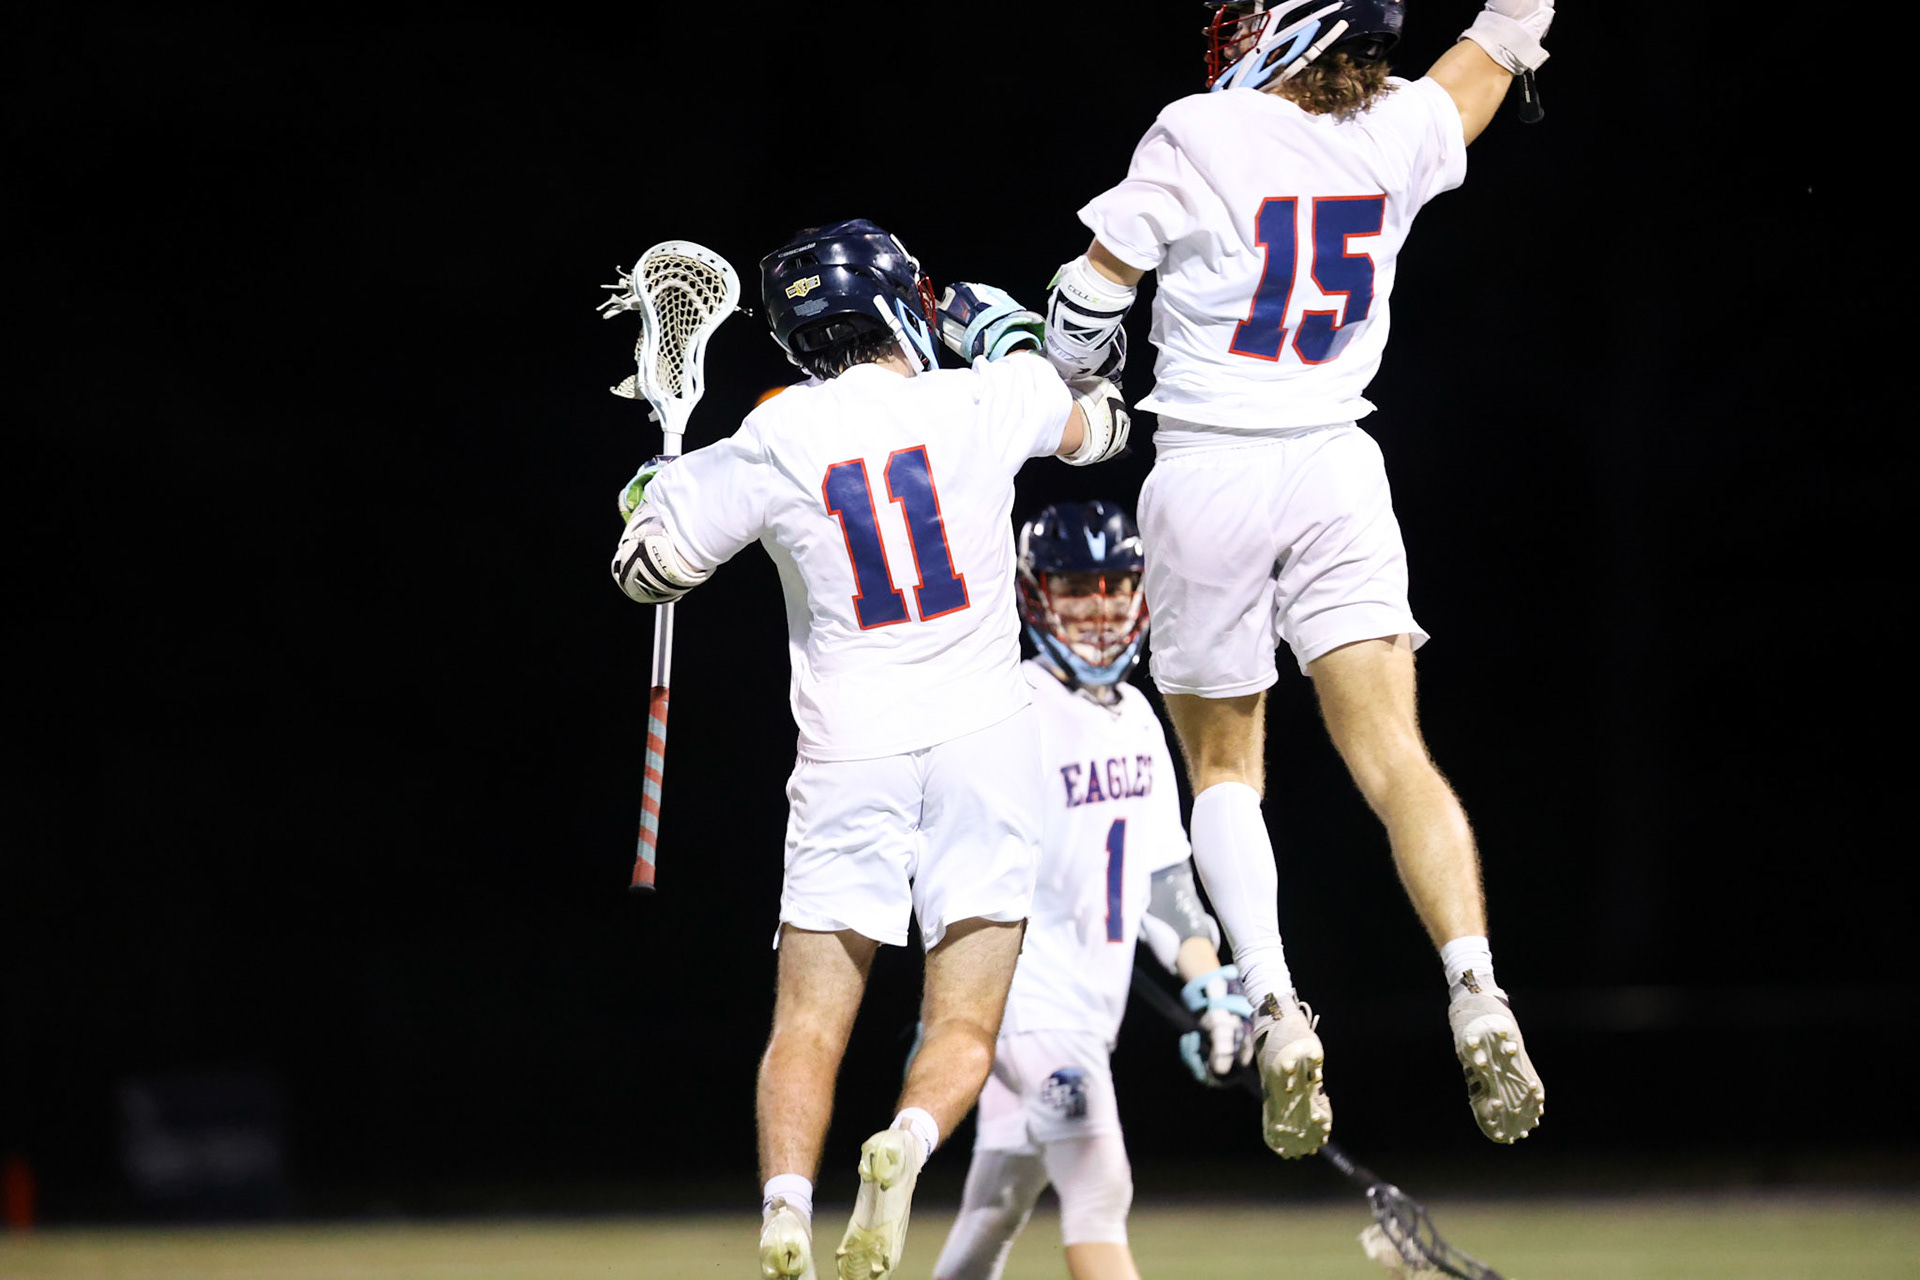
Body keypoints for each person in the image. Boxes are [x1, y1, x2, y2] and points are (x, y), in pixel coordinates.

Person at [1039, 0, 1554, 1157]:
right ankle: (1476, 985)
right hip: (1337, 462)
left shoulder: (1196, 131)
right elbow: (1501, 40)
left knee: (1226, 767)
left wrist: (1056, 374)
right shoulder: (1399, 130)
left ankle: (1276, 1005)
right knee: (1396, 754)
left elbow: (1090, 303)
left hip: (1212, 465)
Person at [609, 219, 1129, 1280]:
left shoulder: (772, 434)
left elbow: (648, 569)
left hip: (850, 752)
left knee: (806, 1018)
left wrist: (643, 500)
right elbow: (1105, 426)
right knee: (968, 1023)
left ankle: (786, 1209)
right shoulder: (983, 396)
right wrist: (1018, 337)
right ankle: (909, 1140)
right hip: (985, 740)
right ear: (896, 301)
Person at [930, 501, 1251, 1280]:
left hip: (1083, 1008)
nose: (1101, 606)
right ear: (1038, 592)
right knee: (1099, 1184)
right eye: (1078, 586)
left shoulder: (1137, 716)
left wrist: (1209, 982)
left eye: (1116, 585)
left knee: (996, 1204)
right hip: (1025, 1008)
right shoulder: (1010, 708)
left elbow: (1162, 879)